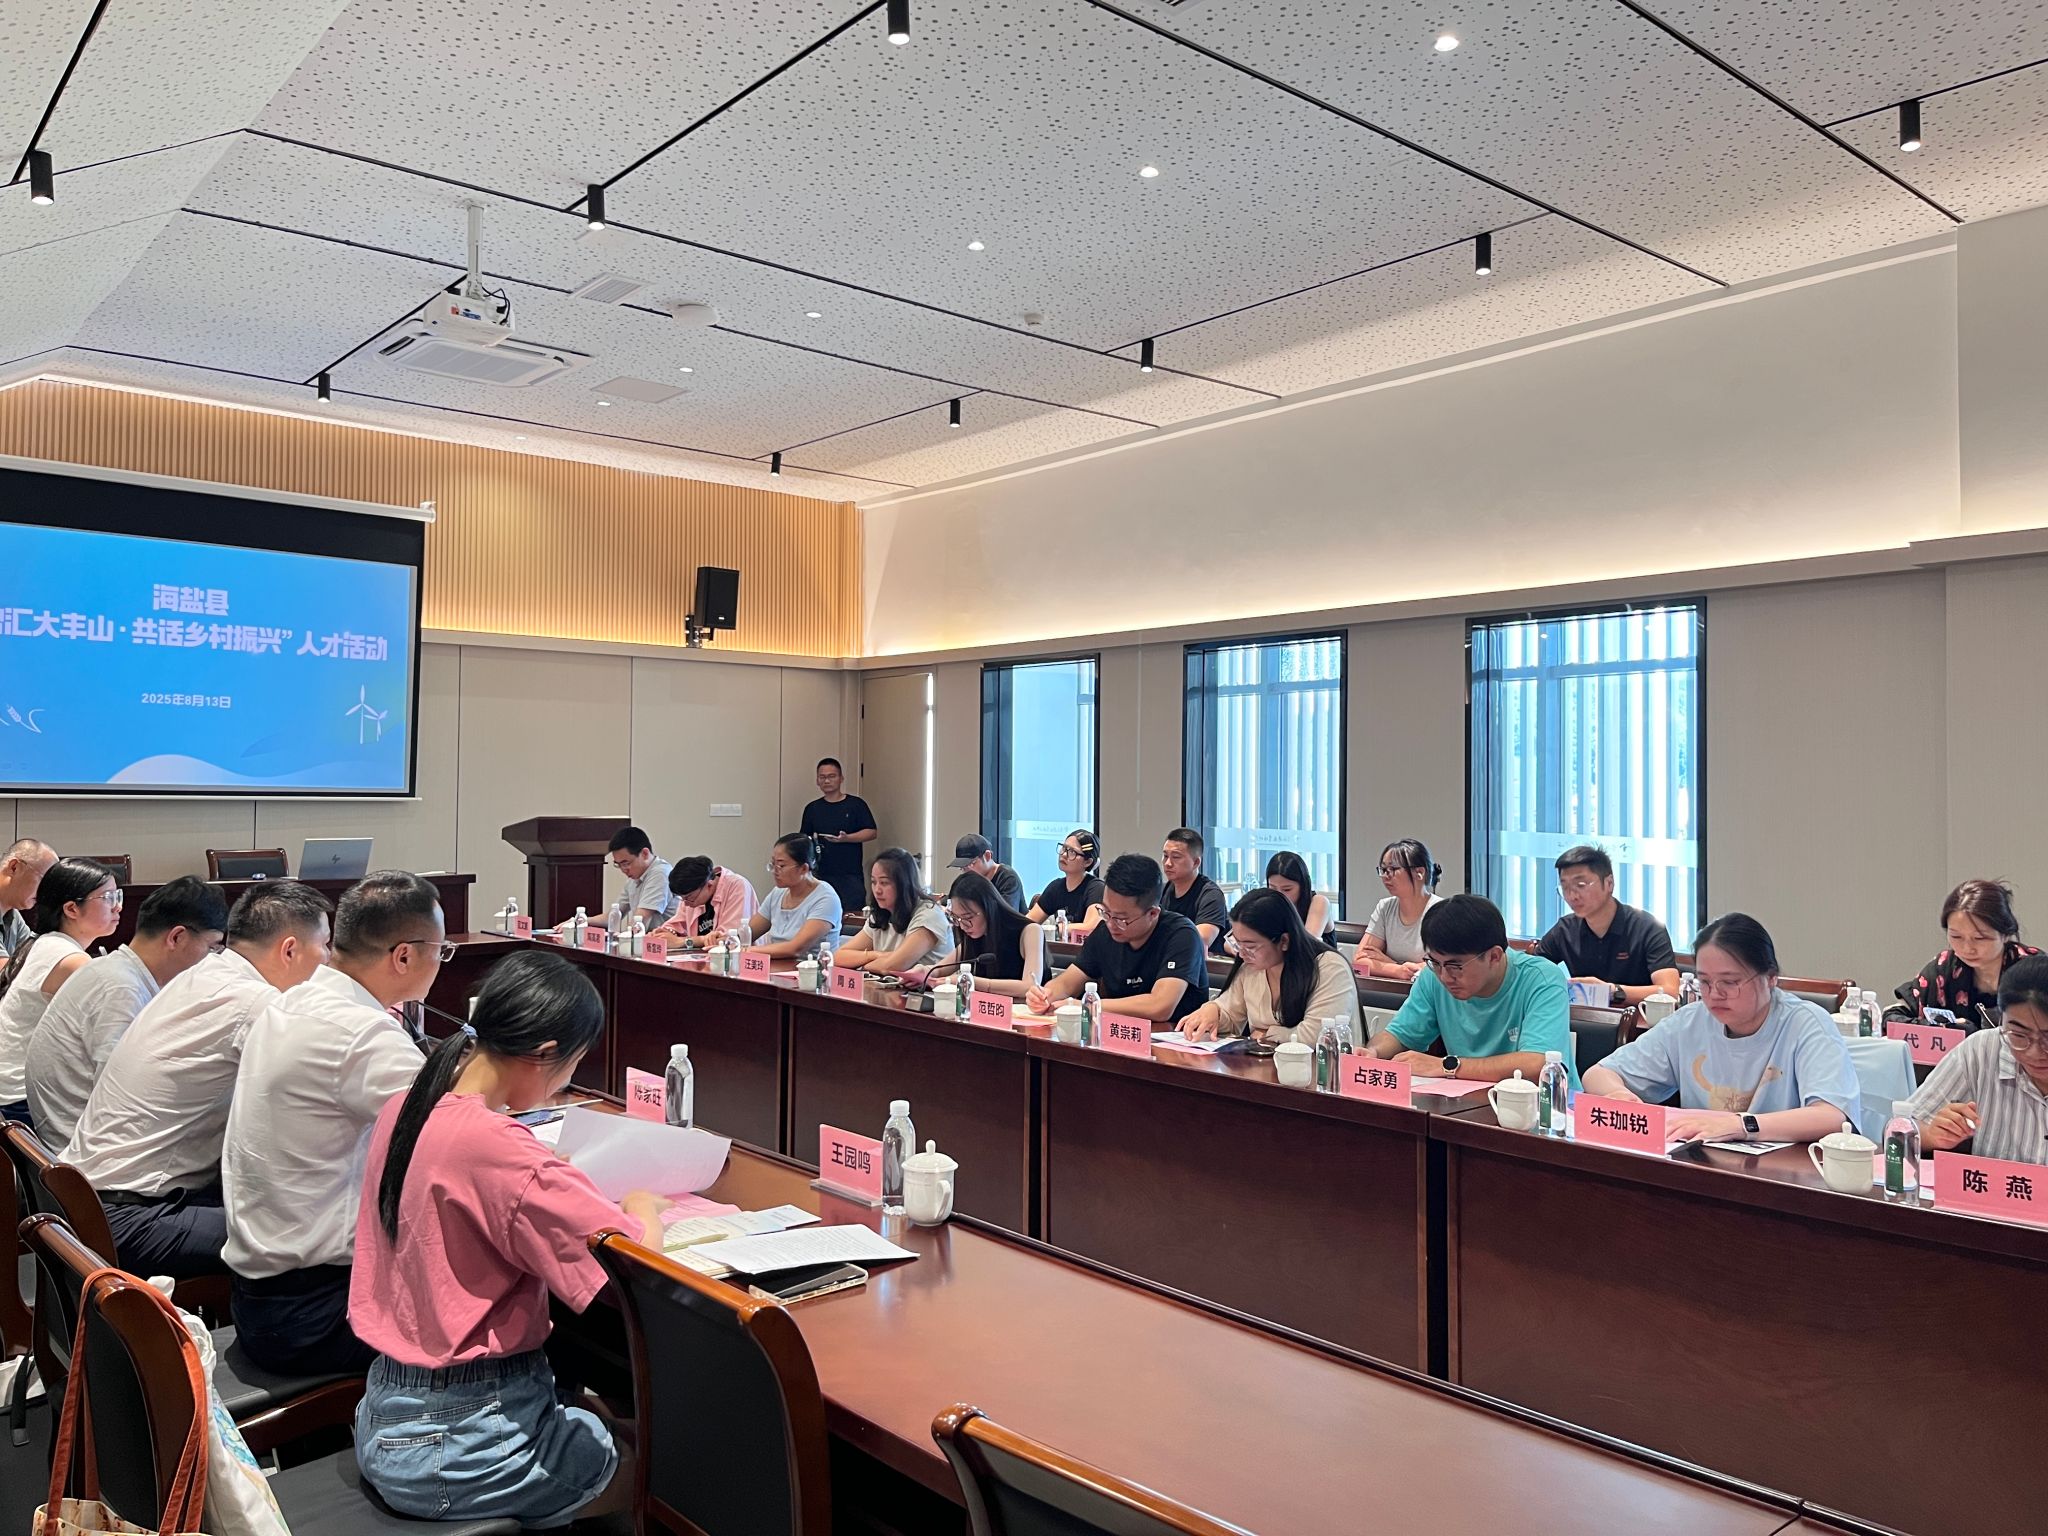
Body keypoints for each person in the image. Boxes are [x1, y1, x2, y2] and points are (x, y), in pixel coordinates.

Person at [351, 949, 663, 1529]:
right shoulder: (498, 1148)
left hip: (386, 1417)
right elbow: (635, 1265)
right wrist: (645, 1206)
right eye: (573, 1064)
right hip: (467, 1441)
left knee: (603, 1415)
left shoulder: (406, 1107)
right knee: (673, 1467)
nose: (566, 1082)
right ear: (546, 1053)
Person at [222, 873, 445, 1375]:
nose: (441, 961)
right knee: (507, 1309)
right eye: (440, 950)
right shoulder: (360, 1032)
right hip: (316, 1313)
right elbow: (462, 1143)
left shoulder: (293, 1001)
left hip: (263, 1297)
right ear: (404, 956)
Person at [62, 881, 332, 1279]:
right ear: (289, 950)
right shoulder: (255, 1002)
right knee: (320, 1239)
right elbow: (317, 1096)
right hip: (133, 1215)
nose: (329, 959)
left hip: (86, 1200)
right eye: (325, 945)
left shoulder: (205, 973)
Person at [1583, 912, 1860, 1144]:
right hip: (1707, 1166)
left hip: (1788, 1173)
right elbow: (1598, 1074)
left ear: (1770, 977)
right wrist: (1618, 1095)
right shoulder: (1690, 1022)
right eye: (1704, 982)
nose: (1714, 994)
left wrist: (1740, 1125)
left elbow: (1831, 1116)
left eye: (1729, 982)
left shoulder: (1806, 1024)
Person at [26, 875, 228, 1148]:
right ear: (177, 937)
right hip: (84, 1151)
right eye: (212, 947)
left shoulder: (116, 970)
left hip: (80, 1134)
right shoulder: (121, 988)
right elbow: (122, 1097)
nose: (213, 958)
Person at [1366, 894, 1574, 1084]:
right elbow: (1399, 1035)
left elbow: (1537, 1064)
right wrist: (1372, 1053)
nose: (1444, 976)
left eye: (1455, 966)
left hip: (1546, 1105)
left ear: (1494, 956)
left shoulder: (1542, 978)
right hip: (1469, 1101)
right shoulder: (1433, 976)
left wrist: (1446, 1066)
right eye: (1435, 963)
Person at [0, 857, 120, 1124]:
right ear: (72, 909)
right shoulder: (71, 961)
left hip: (9, 1090)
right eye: (108, 897)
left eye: (118, 896)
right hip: (20, 1102)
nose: (118, 906)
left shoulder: (45, 943)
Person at [1026, 854, 1208, 1026]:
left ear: (1153, 913)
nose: (1111, 924)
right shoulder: (1104, 932)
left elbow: (1160, 1006)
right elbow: (1067, 983)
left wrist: (1089, 1006)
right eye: (1105, 912)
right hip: (1118, 1036)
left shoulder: (1181, 935)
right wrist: (1046, 995)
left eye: (1121, 919)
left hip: (1176, 1040)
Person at [1902, 952, 2048, 1163]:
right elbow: (1902, 1128)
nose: (2033, 1052)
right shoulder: (1982, 1050)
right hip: (1995, 1186)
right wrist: (1931, 1134)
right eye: (2019, 1035)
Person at [1182, 888, 1360, 1047]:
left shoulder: (1329, 968)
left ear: (1284, 941)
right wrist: (1214, 1011)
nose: (1242, 954)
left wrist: (1268, 1034)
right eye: (1237, 943)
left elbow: (1317, 1037)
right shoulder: (1252, 967)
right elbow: (1231, 1014)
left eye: (1250, 946)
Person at [1533, 845, 1681, 1006]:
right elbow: (1529, 974)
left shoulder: (1647, 927)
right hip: (1584, 1019)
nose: (1572, 896)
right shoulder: (1565, 930)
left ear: (1609, 883)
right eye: (1565, 888)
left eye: (1580, 885)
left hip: (1640, 1018)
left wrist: (1610, 991)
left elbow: (1669, 992)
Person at [1885, 878, 2039, 1028]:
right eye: (1956, 936)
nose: (1967, 948)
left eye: (1979, 938)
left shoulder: (2034, 971)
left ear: (2005, 935)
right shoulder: (1943, 968)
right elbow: (1892, 1017)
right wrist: (1942, 1028)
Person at [836, 847, 954, 973]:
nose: (877, 890)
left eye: (884, 883)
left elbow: (892, 967)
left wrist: (863, 965)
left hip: (927, 986)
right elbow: (838, 957)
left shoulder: (929, 915)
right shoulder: (881, 914)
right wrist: (874, 955)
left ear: (904, 884)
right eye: (873, 882)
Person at [928, 871, 1044, 996]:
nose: (962, 926)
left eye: (968, 917)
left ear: (989, 908)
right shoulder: (974, 935)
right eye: (957, 918)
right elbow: (938, 970)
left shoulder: (1030, 931)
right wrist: (924, 971)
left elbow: (1030, 986)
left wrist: (971, 981)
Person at [1354, 839, 1443, 980]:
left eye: (1393, 869)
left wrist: (1387, 962)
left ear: (1419, 872)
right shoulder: (1384, 907)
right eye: (1383, 870)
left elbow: (1441, 966)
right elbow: (1359, 963)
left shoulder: (1442, 911)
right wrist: (1398, 970)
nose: (1385, 876)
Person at [745, 833, 844, 959]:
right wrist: (728, 941)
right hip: (777, 966)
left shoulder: (826, 898)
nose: (774, 871)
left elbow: (796, 948)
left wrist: (748, 950)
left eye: (781, 866)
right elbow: (749, 933)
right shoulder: (777, 893)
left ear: (803, 868)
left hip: (813, 968)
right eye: (773, 864)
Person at [800, 757, 877, 914]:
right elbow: (804, 839)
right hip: (820, 874)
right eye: (822, 777)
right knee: (820, 914)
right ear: (817, 780)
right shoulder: (812, 808)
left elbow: (871, 832)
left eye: (832, 776)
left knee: (851, 916)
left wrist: (847, 838)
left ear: (841, 778)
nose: (827, 780)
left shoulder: (856, 804)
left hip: (850, 874)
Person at [659, 856, 759, 944]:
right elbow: (677, 923)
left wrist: (683, 942)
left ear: (709, 885)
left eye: (689, 898)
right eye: (682, 899)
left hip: (738, 955)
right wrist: (666, 932)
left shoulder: (736, 886)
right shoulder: (691, 894)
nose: (686, 904)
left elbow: (728, 938)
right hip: (702, 955)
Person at [1160, 828, 1230, 954]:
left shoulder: (1211, 895)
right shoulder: (1162, 890)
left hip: (1202, 964)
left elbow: (1200, 940)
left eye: (1176, 857)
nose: (1168, 863)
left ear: (1196, 862)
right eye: (1165, 856)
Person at [1026, 830, 1106, 930]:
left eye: (1072, 852)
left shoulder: (1096, 888)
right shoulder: (1055, 887)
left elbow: (1090, 927)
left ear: (1088, 862)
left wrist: (1055, 929)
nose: (1063, 854)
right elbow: (1028, 922)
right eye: (1064, 848)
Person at [607, 827, 675, 928]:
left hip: (668, 937)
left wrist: (624, 936)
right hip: (648, 936)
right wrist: (584, 920)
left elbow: (639, 920)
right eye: (618, 864)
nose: (623, 870)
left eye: (626, 863)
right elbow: (612, 917)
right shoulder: (634, 878)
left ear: (645, 854)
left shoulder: (661, 873)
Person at [0, 838, 57, 958]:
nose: (45, 892)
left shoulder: (13, 916)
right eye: (43, 881)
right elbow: (5, 969)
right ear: (14, 867)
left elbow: (34, 958)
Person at [1263, 851, 1333, 945]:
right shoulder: (1269, 905)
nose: (1279, 895)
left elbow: (1307, 944)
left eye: (1287, 889)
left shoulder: (1319, 902)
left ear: (1303, 886)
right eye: (1273, 888)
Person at [947, 834, 1026, 911]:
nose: (966, 871)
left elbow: (1007, 914)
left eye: (971, 864)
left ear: (987, 856)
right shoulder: (970, 880)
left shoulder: (1007, 878)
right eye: (962, 867)